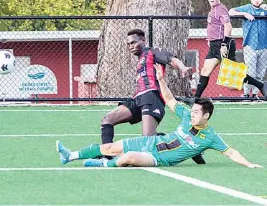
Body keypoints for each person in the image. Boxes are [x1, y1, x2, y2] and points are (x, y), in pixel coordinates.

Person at [55, 63, 263, 169]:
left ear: (207, 116)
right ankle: (70, 156)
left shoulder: (209, 137)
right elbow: (171, 100)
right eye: (192, 111)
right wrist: (161, 81)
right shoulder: (185, 115)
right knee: (110, 147)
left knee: (127, 158)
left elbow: (230, 152)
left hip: (158, 158)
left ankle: (102, 165)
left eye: (197, 112)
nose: (192, 115)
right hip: (151, 142)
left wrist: (248, 164)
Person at [99, 29, 205, 164]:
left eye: (133, 42)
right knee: (107, 120)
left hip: (152, 97)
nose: (130, 46)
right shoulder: (140, 60)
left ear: (143, 41)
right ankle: (107, 155)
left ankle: (188, 144)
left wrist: (183, 68)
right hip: (137, 99)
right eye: (128, 44)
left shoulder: (153, 52)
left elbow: (172, 60)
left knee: (148, 140)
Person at [193, 0, 267, 99]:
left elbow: (228, 26)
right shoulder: (213, 9)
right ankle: (195, 99)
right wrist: (210, 39)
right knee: (205, 70)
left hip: (222, 44)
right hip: (214, 45)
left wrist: (224, 44)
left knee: (234, 73)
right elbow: (214, 27)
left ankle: (261, 85)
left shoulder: (220, 9)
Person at [229, 0, 267, 97]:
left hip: (264, 45)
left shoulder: (264, 9)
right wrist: (244, 14)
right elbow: (230, 12)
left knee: (260, 72)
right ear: (251, 0)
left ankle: (255, 94)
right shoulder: (247, 8)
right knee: (250, 71)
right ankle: (246, 93)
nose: (256, 1)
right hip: (250, 45)